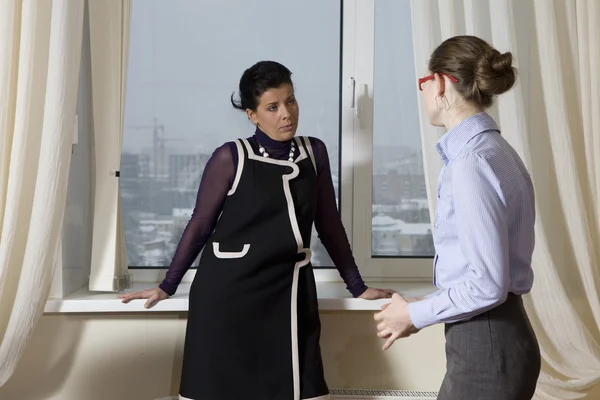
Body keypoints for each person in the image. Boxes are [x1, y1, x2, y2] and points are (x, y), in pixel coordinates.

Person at [119, 60, 393, 400]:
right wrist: (166, 286)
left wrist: (357, 285)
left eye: (291, 100)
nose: (286, 113)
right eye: (273, 107)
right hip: (228, 296)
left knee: (299, 387)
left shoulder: (314, 152)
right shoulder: (230, 157)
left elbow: (329, 223)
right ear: (252, 114)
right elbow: (200, 224)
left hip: (290, 292)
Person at [374, 36, 541, 399]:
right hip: (494, 337)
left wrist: (412, 316)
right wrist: (422, 309)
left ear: (438, 83)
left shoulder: (470, 163)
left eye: (423, 84)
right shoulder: (494, 150)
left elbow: (487, 284)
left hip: (486, 343)